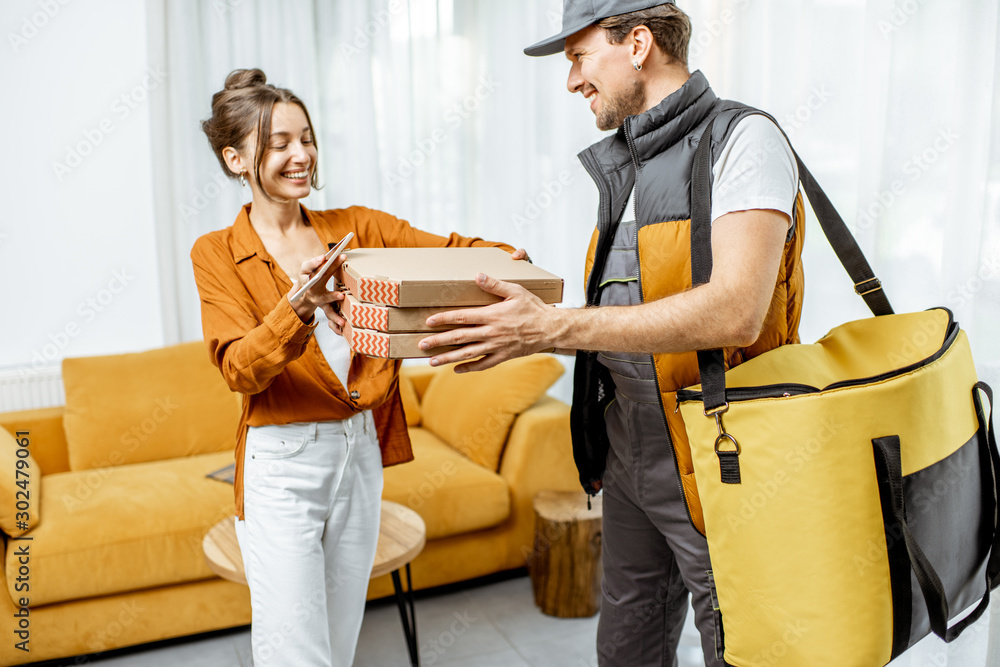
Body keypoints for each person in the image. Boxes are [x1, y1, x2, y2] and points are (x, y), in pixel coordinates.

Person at [417, 2, 804, 666]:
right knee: (628, 649)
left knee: (743, 647)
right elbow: (637, 298)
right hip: (629, 459)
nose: (571, 80)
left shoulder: (745, 139)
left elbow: (735, 310)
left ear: (639, 44)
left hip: (722, 460)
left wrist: (548, 327)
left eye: (578, 57)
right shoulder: (624, 165)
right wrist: (520, 313)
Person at [190, 68, 524, 667]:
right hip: (282, 465)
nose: (302, 155)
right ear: (236, 159)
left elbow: (453, 254)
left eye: (306, 138)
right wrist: (299, 306)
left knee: (339, 644)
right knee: (296, 653)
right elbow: (239, 369)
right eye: (279, 144)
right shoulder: (217, 253)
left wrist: (510, 263)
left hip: (358, 453)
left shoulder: (357, 229)